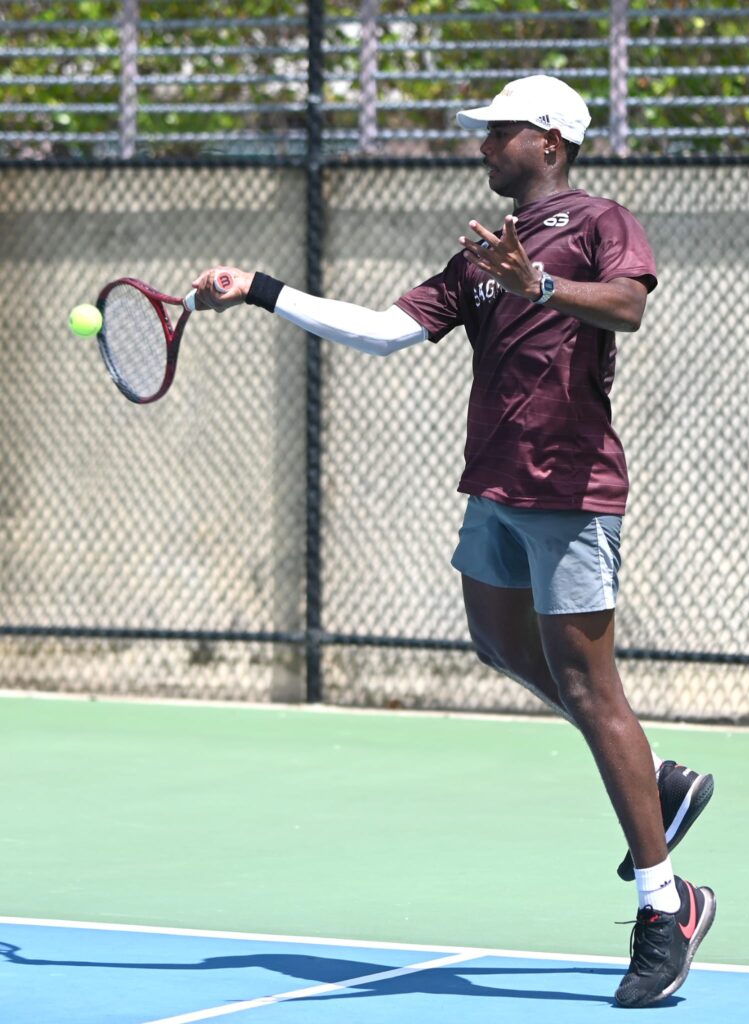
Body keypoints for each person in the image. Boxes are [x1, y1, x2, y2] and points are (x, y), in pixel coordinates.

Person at [192, 74, 716, 1009]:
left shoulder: (602, 218)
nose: (480, 144)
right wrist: (261, 290)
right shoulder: (478, 259)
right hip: (496, 487)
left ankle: (666, 905)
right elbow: (383, 332)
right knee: (498, 643)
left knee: (596, 689)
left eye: (497, 132)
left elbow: (628, 307)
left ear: (549, 141)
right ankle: (653, 777)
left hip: (571, 491)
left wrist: (544, 284)